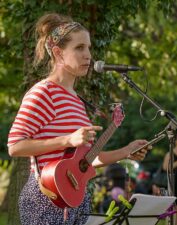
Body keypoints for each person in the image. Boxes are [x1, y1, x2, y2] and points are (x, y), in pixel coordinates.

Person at [7, 13, 148, 225]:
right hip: (45, 200)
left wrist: (125, 151)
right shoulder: (43, 93)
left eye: (89, 47)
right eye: (79, 48)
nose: (88, 55)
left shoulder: (75, 100)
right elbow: (15, 146)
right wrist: (67, 140)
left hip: (76, 200)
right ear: (58, 53)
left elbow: (85, 162)